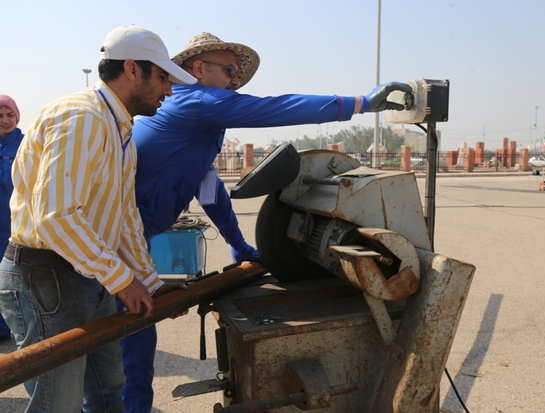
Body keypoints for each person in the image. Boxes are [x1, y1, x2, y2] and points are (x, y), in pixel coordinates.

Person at [123, 31, 414, 413]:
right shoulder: (193, 100)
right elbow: (274, 107)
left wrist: (238, 243)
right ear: (198, 68)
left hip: (132, 239)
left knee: (128, 342)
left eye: (237, 78)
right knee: (129, 345)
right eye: (229, 71)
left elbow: (209, 189)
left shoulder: (200, 124)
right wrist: (358, 103)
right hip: (117, 241)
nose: (234, 82)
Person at [0, 25, 195, 413]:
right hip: (47, 280)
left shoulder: (119, 128)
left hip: (89, 278)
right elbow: (57, 217)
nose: (169, 91)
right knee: (59, 403)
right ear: (132, 69)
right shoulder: (82, 117)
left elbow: (124, 219)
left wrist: (151, 284)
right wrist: (123, 280)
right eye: (162, 78)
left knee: (109, 391)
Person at [0, 94, 23, 341]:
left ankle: (15, 328)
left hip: (15, 227)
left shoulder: (27, 146)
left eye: (10, 115)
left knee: (12, 283)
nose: (5, 121)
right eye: (0, 116)